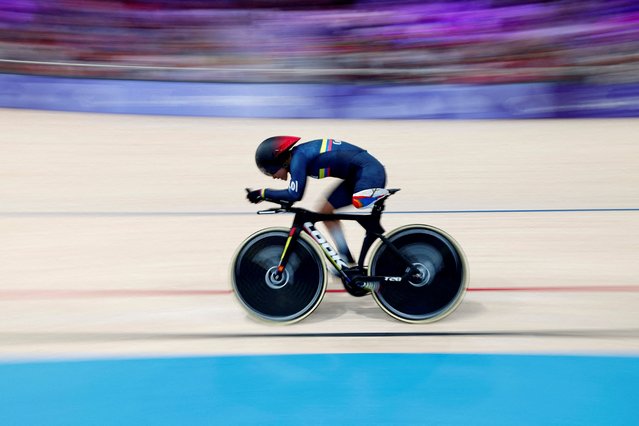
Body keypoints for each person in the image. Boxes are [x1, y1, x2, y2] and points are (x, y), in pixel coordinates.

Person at [247, 136, 387, 266]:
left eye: (270, 172)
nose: (272, 177)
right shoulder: (297, 157)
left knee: (360, 204)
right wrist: (270, 197)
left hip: (369, 173)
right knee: (326, 212)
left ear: (279, 161)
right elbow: (291, 197)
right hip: (356, 176)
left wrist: (263, 193)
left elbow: (295, 195)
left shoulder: (298, 159)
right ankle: (346, 258)